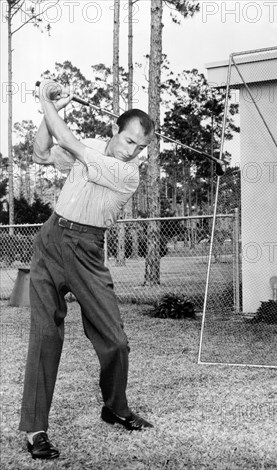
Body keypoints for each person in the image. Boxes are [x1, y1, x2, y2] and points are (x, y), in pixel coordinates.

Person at [20, 80, 154, 460]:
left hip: (87, 249)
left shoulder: (127, 174)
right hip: (51, 239)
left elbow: (71, 143)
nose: (133, 152)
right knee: (46, 336)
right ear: (116, 130)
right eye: (129, 142)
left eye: (141, 148)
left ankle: (115, 407)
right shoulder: (95, 146)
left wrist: (45, 101)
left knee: (115, 340)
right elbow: (41, 151)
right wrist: (53, 112)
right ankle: (36, 431)